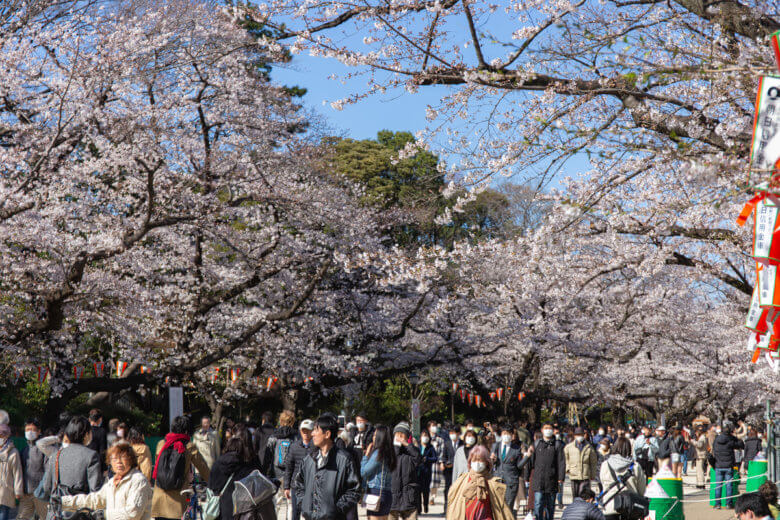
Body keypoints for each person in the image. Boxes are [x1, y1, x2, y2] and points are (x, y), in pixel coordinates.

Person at [59, 442, 153, 520]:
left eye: (123, 457)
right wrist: (63, 502)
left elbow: (133, 513)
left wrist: (103, 515)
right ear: (110, 462)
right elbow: (95, 500)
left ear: (131, 459)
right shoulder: (112, 482)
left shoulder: (138, 480)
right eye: (114, 459)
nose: (118, 462)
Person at [293, 414, 362, 520]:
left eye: (316, 430)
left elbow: (354, 490)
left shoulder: (344, 459)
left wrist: (336, 509)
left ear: (327, 434)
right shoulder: (308, 460)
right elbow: (298, 485)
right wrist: (304, 504)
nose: (312, 434)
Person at [150, 415, 210, 520]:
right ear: (187, 431)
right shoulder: (189, 446)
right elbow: (203, 468)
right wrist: (213, 483)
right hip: (177, 501)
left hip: (159, 499)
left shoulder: (161, 444)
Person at [40, 416, 103, 514]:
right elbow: (95, 490)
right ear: (86, 435)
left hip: (56, 513)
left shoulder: (56, 455)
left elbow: (47, 487)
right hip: (79, 513)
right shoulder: (91, 455)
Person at [445, 445, 514, 520]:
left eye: (480, 461)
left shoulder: (492, 482)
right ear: (470, 462)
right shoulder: (462, 480)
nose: (477, 464)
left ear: (487, 462)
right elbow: (452, 502)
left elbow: (502, 508)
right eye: (474, 460)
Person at [208, 435, 259, 520]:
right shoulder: (244, 467)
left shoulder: (216, 464)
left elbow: (210, 486)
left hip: (219, 508)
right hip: (239, 509)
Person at [599, 437, 646, 520]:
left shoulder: (605, 464)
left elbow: (603, 483)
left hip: (610, 507)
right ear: (629, 449)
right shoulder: (635, 466)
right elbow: (642, 490)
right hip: (630, 508)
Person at [490, 424, 529, 518]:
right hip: (497, 480)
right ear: (501, 434)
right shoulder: (496, 445)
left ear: (512, 435)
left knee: (508, 506)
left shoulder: (516, 449)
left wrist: (527, 457)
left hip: (511, 482)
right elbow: (492, 463)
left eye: (508, 434)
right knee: (497, 506)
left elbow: (519, 466)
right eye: (504, 433)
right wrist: (492, 459)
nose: (506, 436)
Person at [529, 423, 565, 520]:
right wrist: (527, 476)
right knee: (538, 503)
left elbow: (561, 462)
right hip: (538, 479)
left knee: (550, 505)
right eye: (546, 428)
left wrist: (561, 478)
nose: (548, 430)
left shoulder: (557, 444)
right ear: (542, 430)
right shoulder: (536, 443)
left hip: (552, 479)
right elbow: (531, 461)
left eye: (550, 428)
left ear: (553, 430)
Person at [361, 425, 396, 520]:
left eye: (375, 435)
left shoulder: (378, 453)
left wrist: (366, 456)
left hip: (375, 493)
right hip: (387, 493)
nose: (373, 437)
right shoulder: (390, 453)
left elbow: (364, 472)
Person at [284, 419, 317, 520]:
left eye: (308, 430)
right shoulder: (294, 447)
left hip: (312, 486)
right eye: (303, 430)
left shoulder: (317, 447)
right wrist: (286, 486)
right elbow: (289, 468)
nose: (305, 433)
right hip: (296, 486)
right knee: (295, 513)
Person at [389, 422, 422, 520]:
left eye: (402, 434)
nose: (399, 436)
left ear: (407, 436)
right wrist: (396, 447)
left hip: (409, 499)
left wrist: (407, 445)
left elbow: (418, 459)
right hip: (392, 498)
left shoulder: (412, 451)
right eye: (397, 434)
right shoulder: (390, 451)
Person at [18, 418, 48, 520]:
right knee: (22, 517)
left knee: (44, 517)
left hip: (41, 493)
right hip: (26, 492)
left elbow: (48, 471)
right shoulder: (24, 450)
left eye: (33, 429)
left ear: (39, 431)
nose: (29, 432)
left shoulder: (45, 449)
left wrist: (43, 488)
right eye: (27, 430)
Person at [712, 421, 744, 510]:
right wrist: (736, 436)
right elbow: (741, 445)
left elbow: (713, 449)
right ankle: (728, 504)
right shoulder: (730, 440)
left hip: (718, 465)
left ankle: (717, 504)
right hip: (728, 465)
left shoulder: (716, 440)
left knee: (718, 486)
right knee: (728, 486)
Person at [564, 427, 597, 500]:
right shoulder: (569, 447)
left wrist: (593, 474)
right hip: (574, 474)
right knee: (575, 497)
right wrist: (568, 469)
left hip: (585, 475)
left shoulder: (589, 447)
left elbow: (593, 462)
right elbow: (565, 459)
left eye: (581, 435)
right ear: (574, 435)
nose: (579, 436)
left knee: (585, 496)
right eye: (578, 435)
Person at [0, 423, 23, 520]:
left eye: (2, 435)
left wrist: (18, 491)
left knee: (3, 513)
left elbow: (17, 472)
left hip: (6, 489)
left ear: (7, 436)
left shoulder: (13, 452)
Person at [417, 429, 438, 514]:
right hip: (418, 472)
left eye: (426, 436)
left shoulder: (431, 447)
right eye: (423, 436)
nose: (425, 438)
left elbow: (435, 458)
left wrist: (427, 459)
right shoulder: (417, 446)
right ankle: (418, 508)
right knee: (417, 491)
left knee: (425, 491)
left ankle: (425, 505)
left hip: (426, 472)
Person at [441, 424, 461, 513]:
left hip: (460, 471)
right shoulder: (447, 444)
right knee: (448, 489)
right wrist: (444, 464)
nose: (452, 434)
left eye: (454, 432)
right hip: (449, 471)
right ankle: (446, 508)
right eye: (450, 433)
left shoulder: (462, 444)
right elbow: (444, 457)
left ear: (458, 433)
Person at [428, 422, 444, 507]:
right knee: (427, 481)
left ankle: (432, 497)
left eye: (435, 426)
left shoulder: (440, 440)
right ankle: (427, 496)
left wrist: (441, 462)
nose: (434, 428)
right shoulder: (426, 438)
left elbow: (442, 452)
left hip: (436, 463)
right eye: (432, 426)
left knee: (435, 482)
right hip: (427, 463)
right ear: (429, 428)